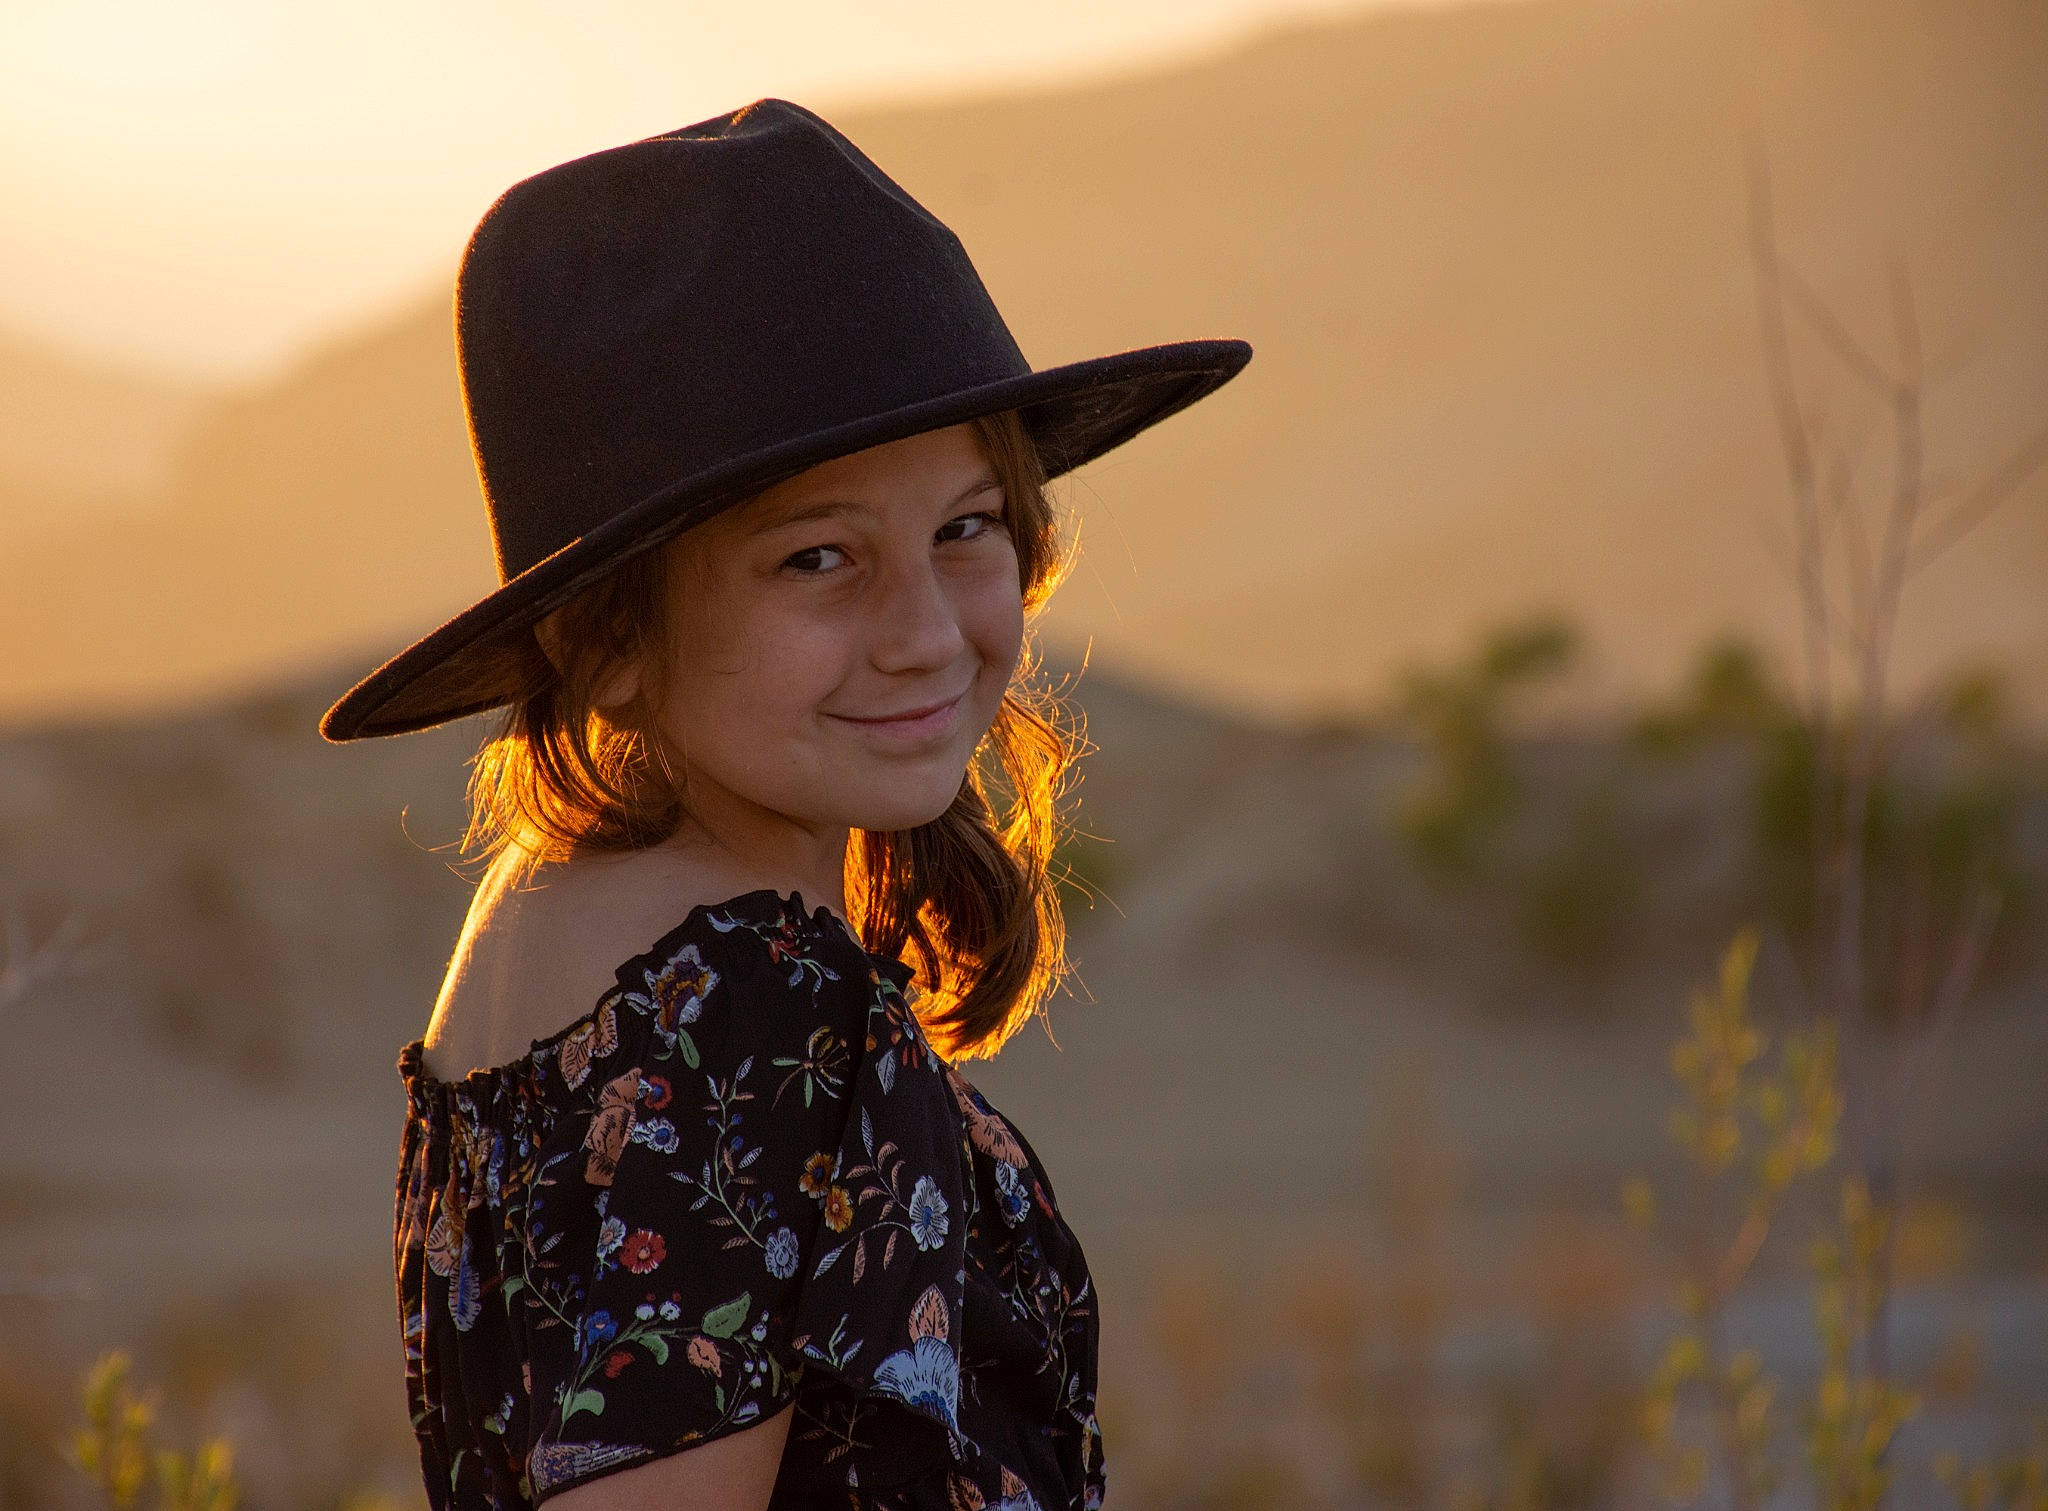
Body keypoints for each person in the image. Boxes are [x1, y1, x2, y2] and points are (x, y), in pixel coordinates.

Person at [319, 98, 1250, 1510]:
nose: (927, 630)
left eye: (965, 528)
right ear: (606, 643)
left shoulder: (558, 929)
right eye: (818, 558)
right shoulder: (739, 993)